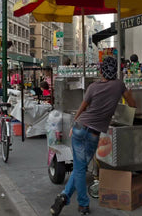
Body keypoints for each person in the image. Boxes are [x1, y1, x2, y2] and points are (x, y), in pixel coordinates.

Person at [50, 57, 136, 216]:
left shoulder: (93, 87)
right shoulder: (119, 85)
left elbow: (81, 108)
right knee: (80, 169)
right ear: (115, 71)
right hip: (93, 134)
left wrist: (72, 126)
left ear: (101, 71)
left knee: (79, 168)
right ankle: (82, 205)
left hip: (79, 128)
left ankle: (64, 197)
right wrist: (128, 94)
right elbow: (132, 104)